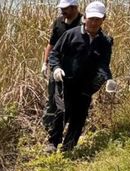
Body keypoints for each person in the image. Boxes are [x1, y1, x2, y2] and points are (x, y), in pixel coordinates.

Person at [47, 1, 116, 152]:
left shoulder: (105, 41)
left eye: (97, 19)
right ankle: (52, 144)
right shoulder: (71, 35)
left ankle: (68, 148)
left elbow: (103, 64)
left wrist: (108, 79)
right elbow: (55, 53)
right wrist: (56, 68)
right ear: (85, 17)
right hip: (65, 81)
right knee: (63, 111)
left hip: (86, 85)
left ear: (103, 19)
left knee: (79, 116)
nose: (93, 22)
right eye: (91, 18)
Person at [42, 0, 82, 153]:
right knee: (52, 99)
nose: (62, 12)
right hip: (56, 67)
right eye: (61, 8)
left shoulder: (83, 23)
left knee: (67, 105)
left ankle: (66, 137)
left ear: (74, 8)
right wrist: (45, 63)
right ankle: (49, 131)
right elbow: (51, 44)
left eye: (65, 9)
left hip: (73, 71)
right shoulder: (58, 22)